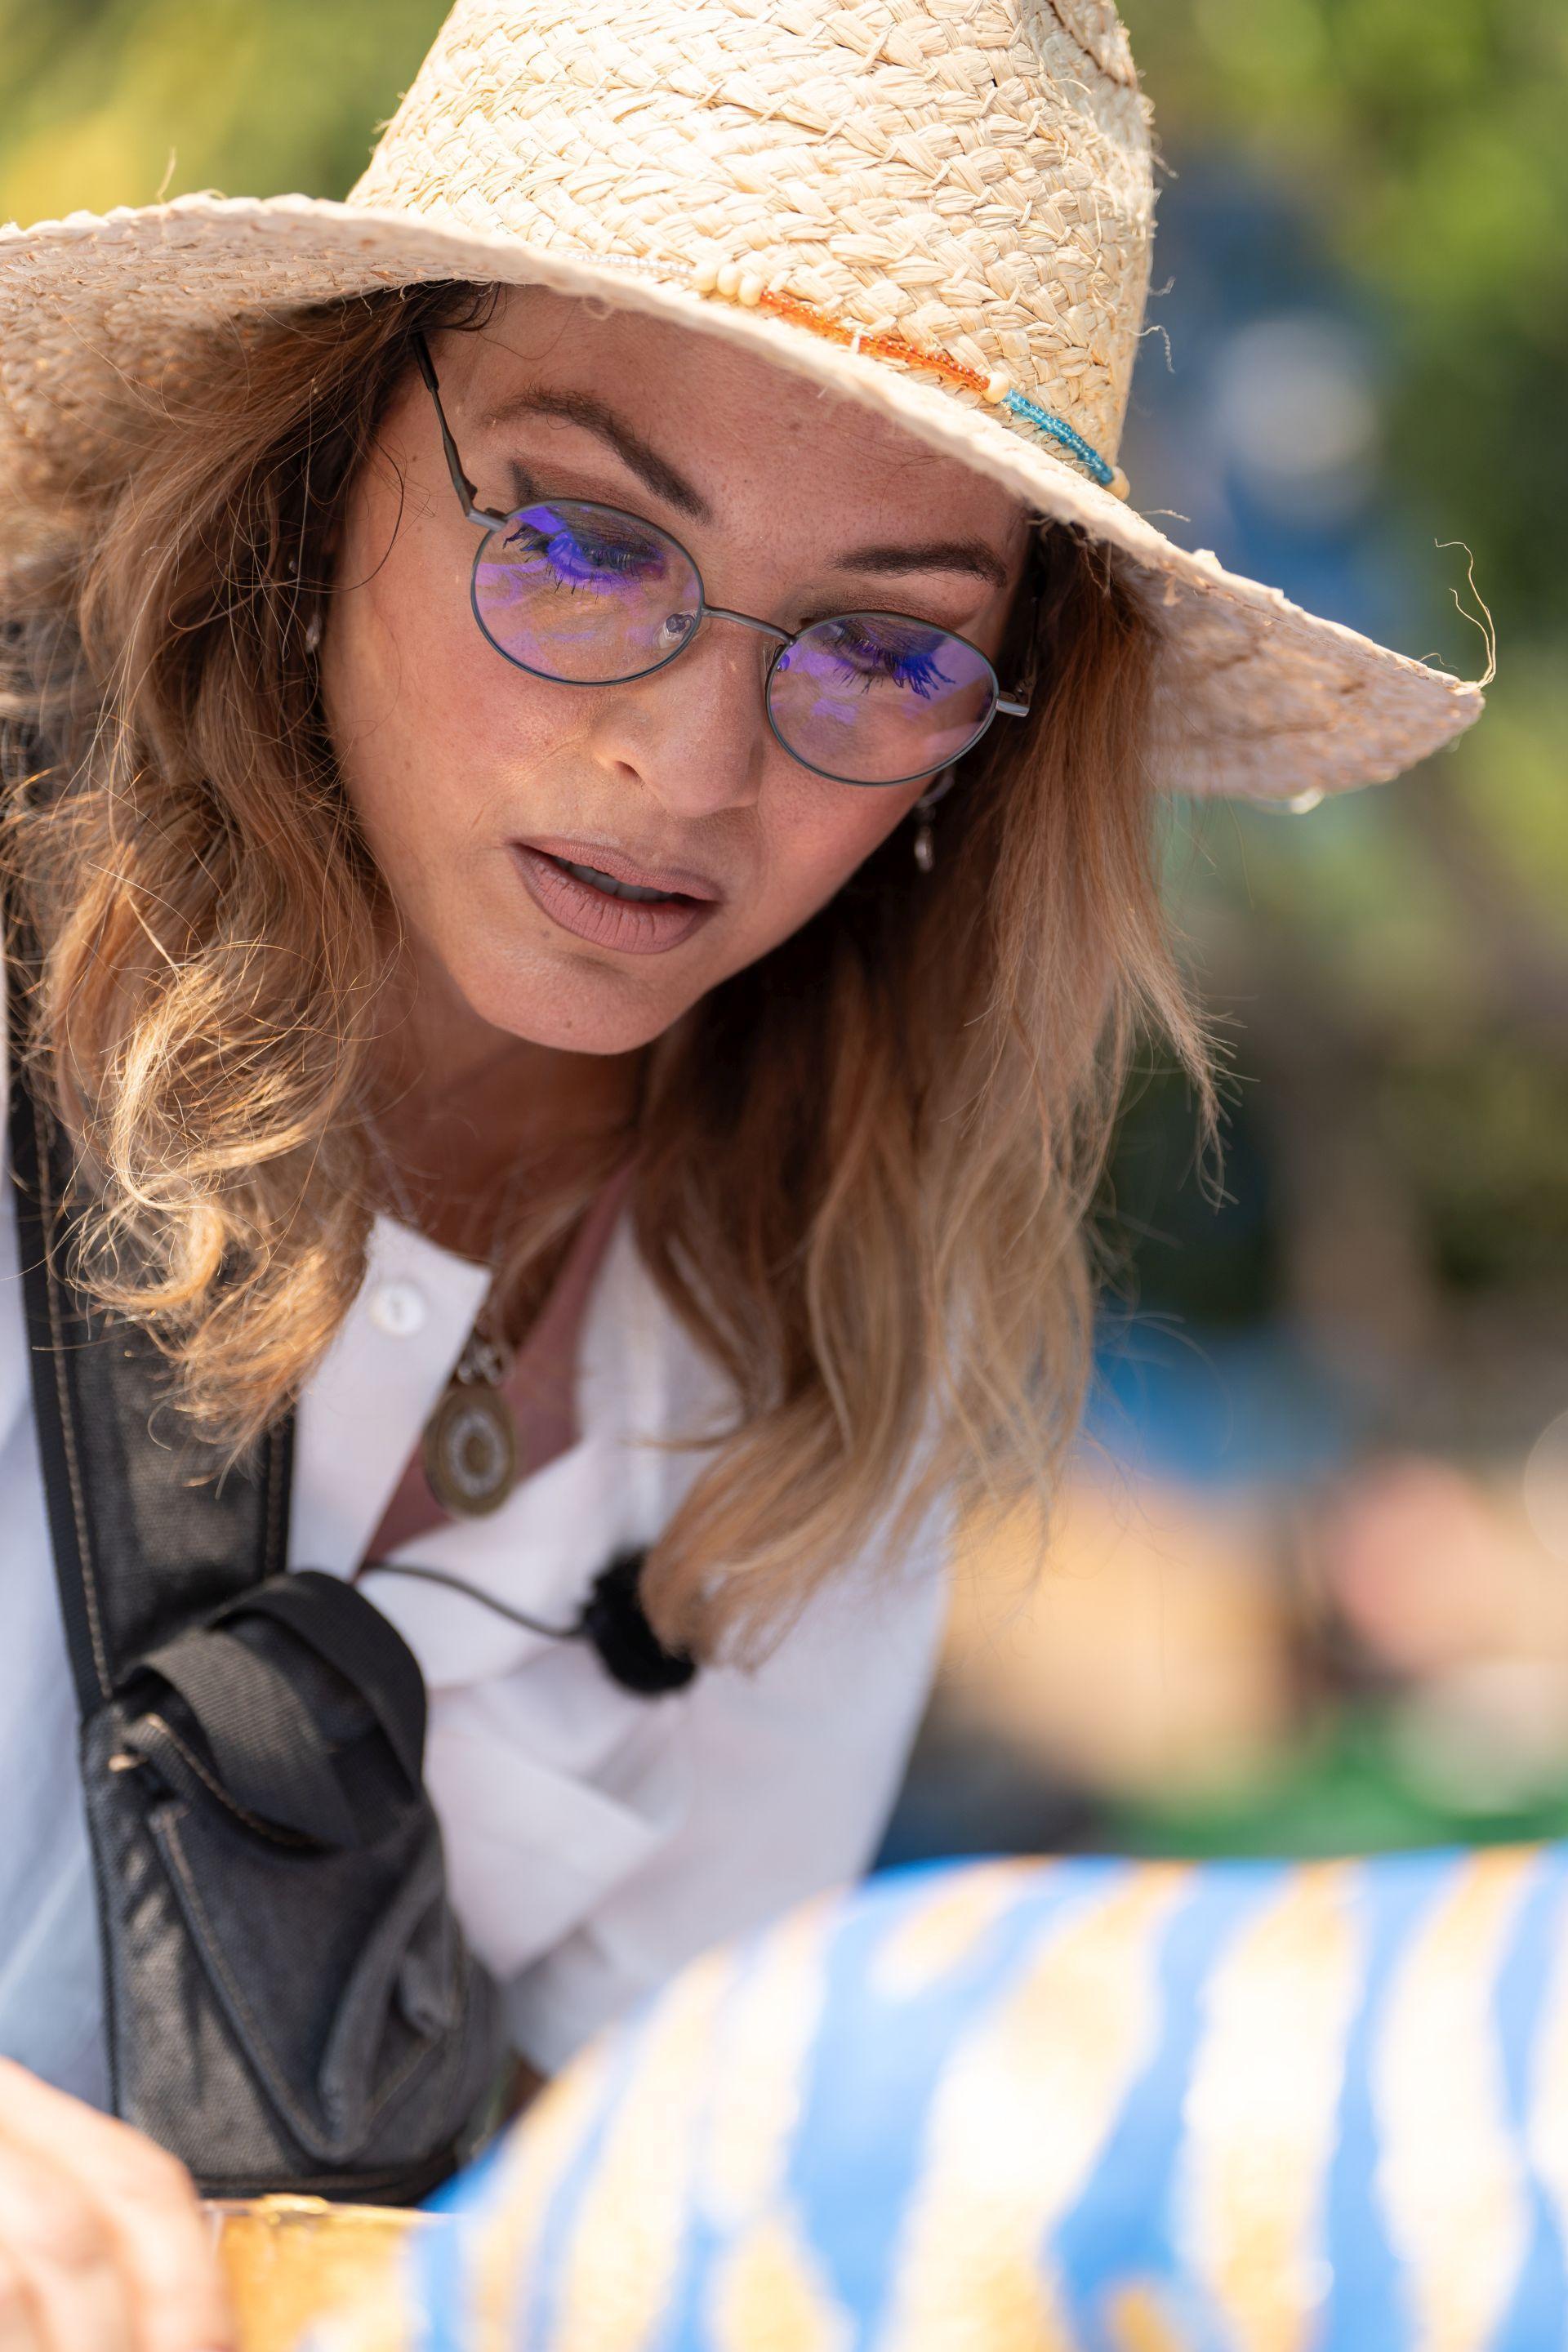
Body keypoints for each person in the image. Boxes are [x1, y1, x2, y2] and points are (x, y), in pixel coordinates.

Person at [0, 0, 1486, 2341]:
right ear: (323, 461)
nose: (693, 767)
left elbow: (631, 2204)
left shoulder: (840, 1322)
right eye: (587, 540)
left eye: (886, 652)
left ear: (998, 739)